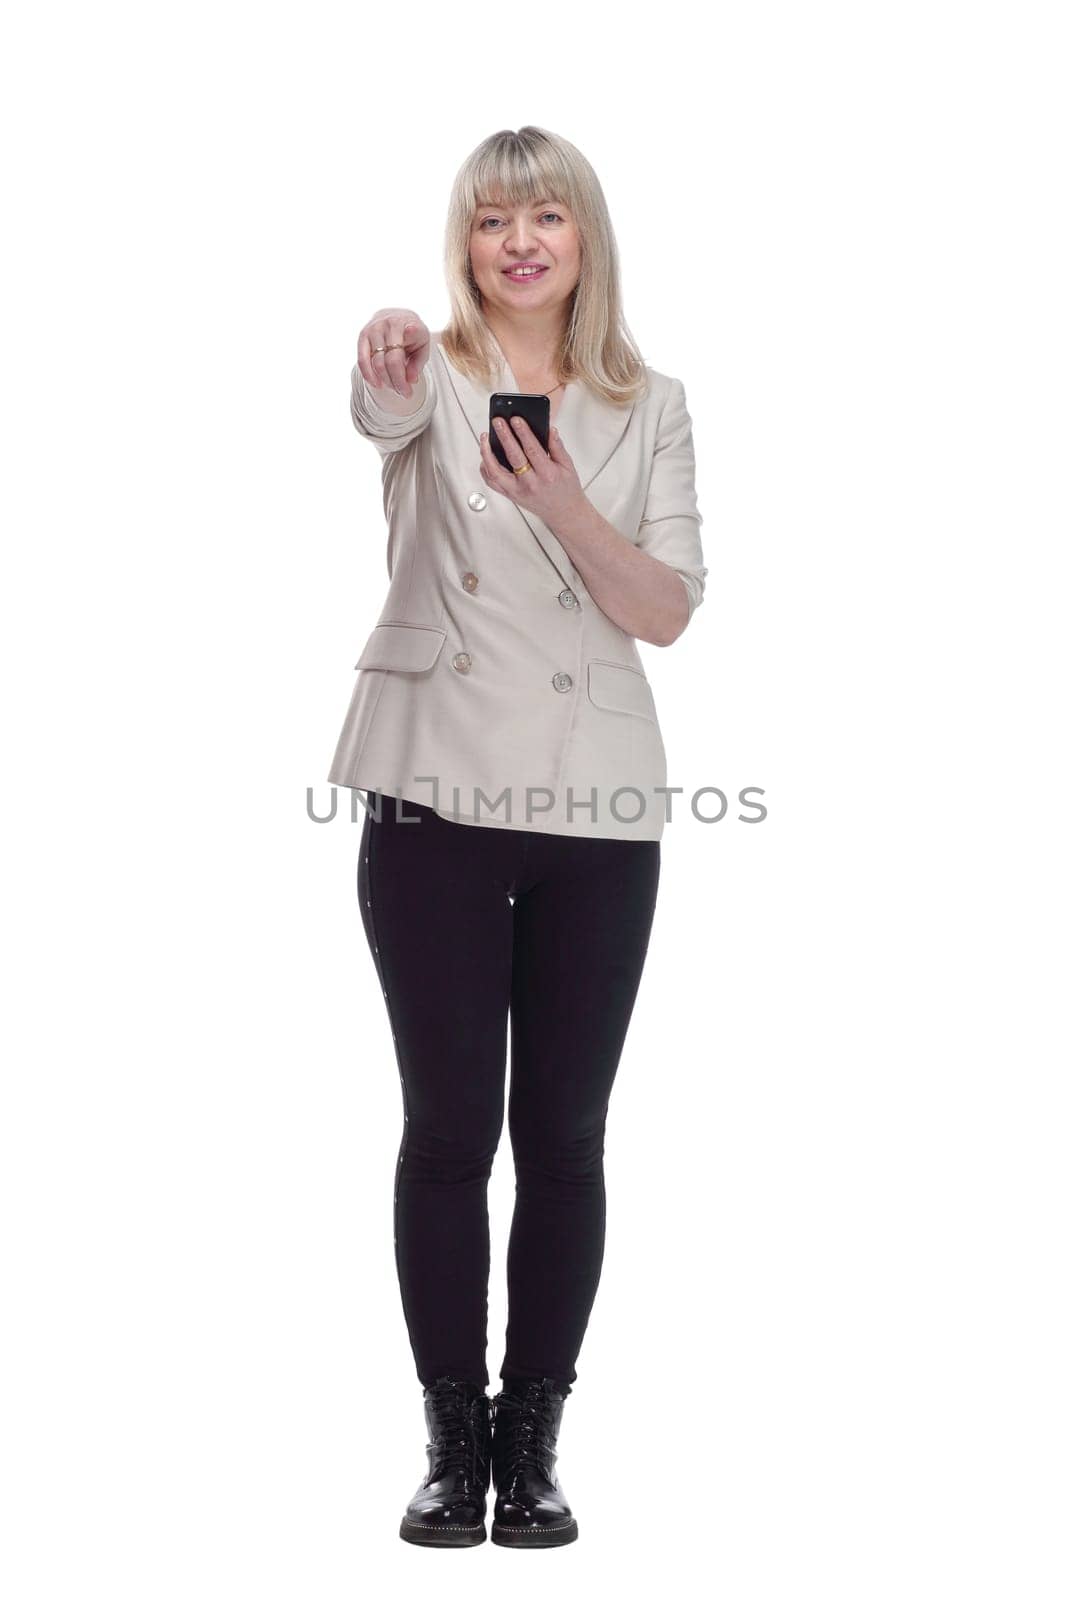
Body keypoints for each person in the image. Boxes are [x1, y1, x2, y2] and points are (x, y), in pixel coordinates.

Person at [328, 125, 707, 1548]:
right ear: (466, 244)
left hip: (597, 802)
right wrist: (383, 362)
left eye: (546, 214)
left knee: (562, 1134)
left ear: (584, 236)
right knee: (445, 1129)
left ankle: (531, 1446)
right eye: (493, 221)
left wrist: (556, 502)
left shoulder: (650, 402)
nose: (520, 241)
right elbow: (377, 409)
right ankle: (447, 1443)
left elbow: (666, 607)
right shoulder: (423, 368)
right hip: (431, 788)